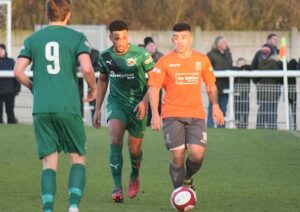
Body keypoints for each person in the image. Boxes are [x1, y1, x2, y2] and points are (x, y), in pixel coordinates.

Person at [13, 1, 97, 212]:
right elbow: (87, 68)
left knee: (49, 163)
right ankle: (73, 207)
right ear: (68, 14)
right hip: (68, 106)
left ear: (46, 14)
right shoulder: (76, 37)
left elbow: (17, 71)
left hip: (42, 108)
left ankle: (48, 209)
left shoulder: (33, 39)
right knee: (77, 158)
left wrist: (34, 88)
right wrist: (93, 88)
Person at [148, 23, 224, 193]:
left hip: (196, 114)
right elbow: (153, 88)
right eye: (176, 38)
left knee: (197, 155)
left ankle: (187, 177)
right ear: (172, 40)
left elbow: (211, 85)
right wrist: (155, 114)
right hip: (172, 114)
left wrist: (216, 106)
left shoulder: (202, 59)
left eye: (183, 38)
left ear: (190, 39)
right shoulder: (164, 61)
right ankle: (178, 194)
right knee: (177, 156)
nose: (179, 41)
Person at [92, 20, 155, 203]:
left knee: (134, 149)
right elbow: (103, 81)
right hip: (116, 104)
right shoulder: (105, 57)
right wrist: (97, 109)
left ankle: (135, 174)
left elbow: (154, 81)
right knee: (115, 138)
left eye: (124, 38)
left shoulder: (141, 54)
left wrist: (145, 102)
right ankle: (117, 187)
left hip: (138, 106)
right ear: (110, 37)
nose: (121, 42)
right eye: (117, 38)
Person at [252, 43, 282, 129]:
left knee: (269, 112)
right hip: (264, 91)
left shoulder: (272, 61)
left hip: (271, 92)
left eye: (266, 51)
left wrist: (260, 60)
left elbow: (262, 69)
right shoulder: (269, 59)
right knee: (264, 111)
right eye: (263, 51)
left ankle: (270, 128)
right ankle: (262, 128)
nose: (264, 53)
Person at [207, 36, 233, 128]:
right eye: (224, 42)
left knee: (223, 109)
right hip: (214, 86)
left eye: (226, 42)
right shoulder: (210, 54)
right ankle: (209, 127)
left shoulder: (228, 54)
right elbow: (207, 69)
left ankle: (221, 127)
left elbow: (229, 66)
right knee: (212, 108)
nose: (226, 44)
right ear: (218, 44)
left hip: (225, 86)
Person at [143, 36, 164, 126]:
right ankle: (145, 123)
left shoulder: (160, 56)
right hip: (143, 84)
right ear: (145, 47)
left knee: (157, 103)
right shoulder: (142, 55)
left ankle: (156, 121)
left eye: (153, 45)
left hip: (157, 85)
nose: (152, 47)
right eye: (149, 45)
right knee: (144, 104)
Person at [0, 43, 20, 124]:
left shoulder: (11, 61)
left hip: (9, 91)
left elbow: (17, 76)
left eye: (1, 50)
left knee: (10, 110)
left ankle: (12, 125)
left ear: (5, 51)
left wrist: (17, 89)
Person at [232, 57, 252, 129]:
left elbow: (251, 67)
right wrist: (239, 68)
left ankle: (245, 125)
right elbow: (232, 68)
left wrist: (244, 67)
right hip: (237, 94)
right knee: (237, 111)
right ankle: (238, 126)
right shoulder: (234, 71)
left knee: (246, 111)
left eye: (243, 64)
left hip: (245, 94)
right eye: (239, 64)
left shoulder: (247, 70)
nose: (241, 66)